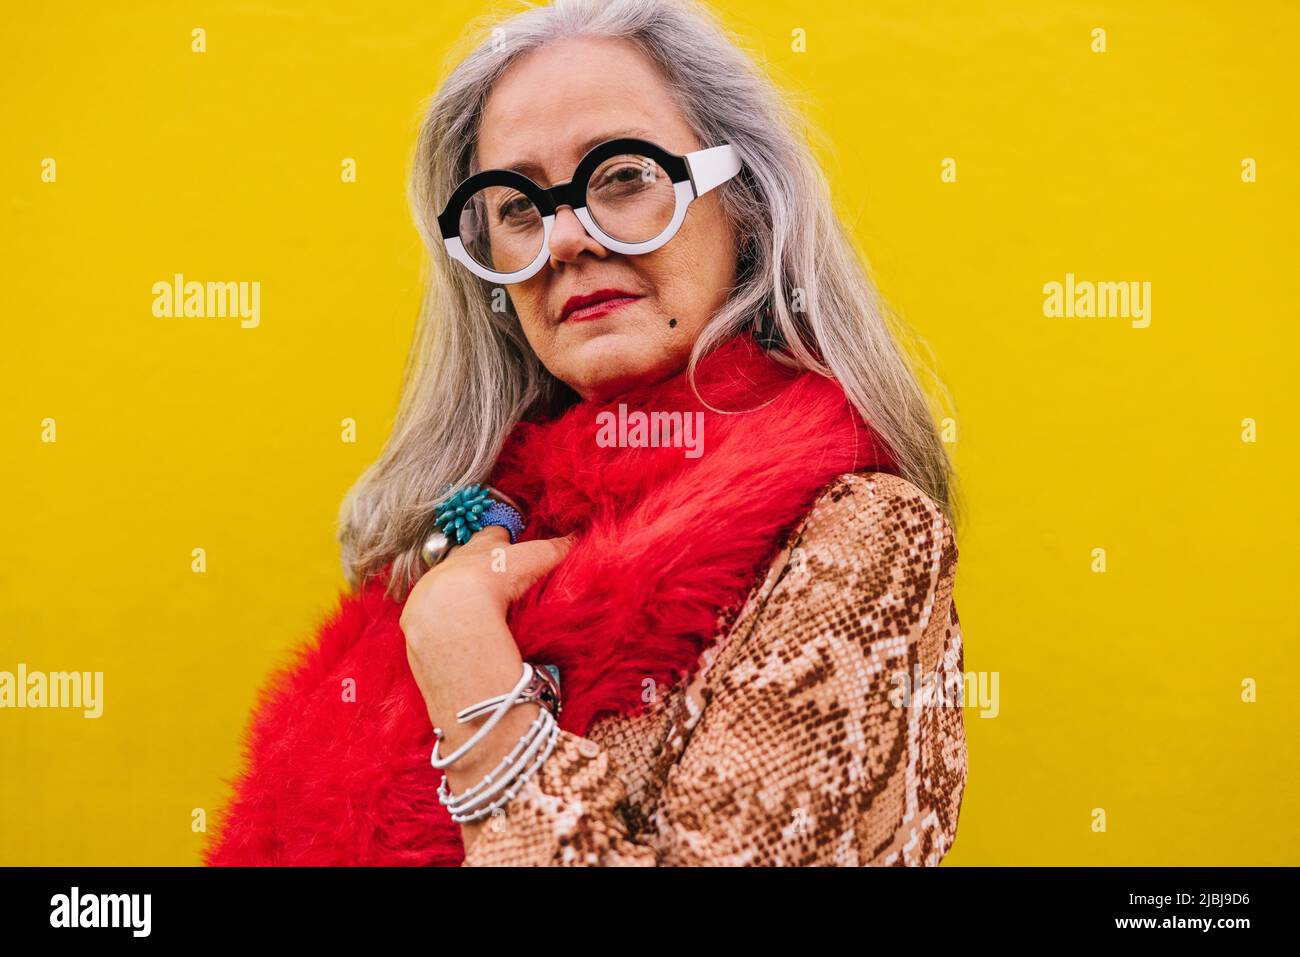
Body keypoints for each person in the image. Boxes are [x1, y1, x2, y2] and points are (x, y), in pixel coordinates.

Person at [204, 0, 967, 867]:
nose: (564, 237)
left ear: (744, 201)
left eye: (625, 175)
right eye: (518, 206)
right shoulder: (474, 522)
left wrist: (471, 671)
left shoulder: (860, 535)